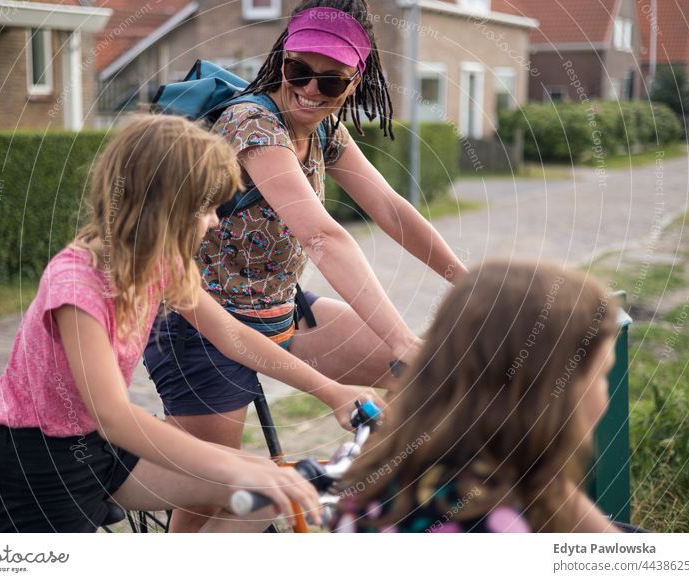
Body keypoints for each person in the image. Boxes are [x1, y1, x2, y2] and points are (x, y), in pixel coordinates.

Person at [145, 0, 467, 532]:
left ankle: (373, 512)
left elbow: (388, 208)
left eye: (332, 81)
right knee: (203, 498)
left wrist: (467, 281)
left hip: (281, 315)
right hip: (199, 325)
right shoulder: (250, 123)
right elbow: (321, 236)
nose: (312, 90)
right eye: (301, 71)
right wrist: (400, 340)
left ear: (355, 81)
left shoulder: (324, 129)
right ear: (282, 59)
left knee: (429, 378)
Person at [0, 115, 331, 533]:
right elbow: (114, 414)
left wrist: (334, 392)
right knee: (251, 477)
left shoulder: (159, 263)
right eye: (206, 208)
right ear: (166, 210)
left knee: (274, 492)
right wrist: (233, 468)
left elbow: (232, 335)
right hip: (40, 469)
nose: (216, 222)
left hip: (103, 447)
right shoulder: (75, 286)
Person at [332, 261, 622, 533]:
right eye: (602, 376)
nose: (605, 391)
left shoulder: (387, 475)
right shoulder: (495, 523)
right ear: (548, 394)